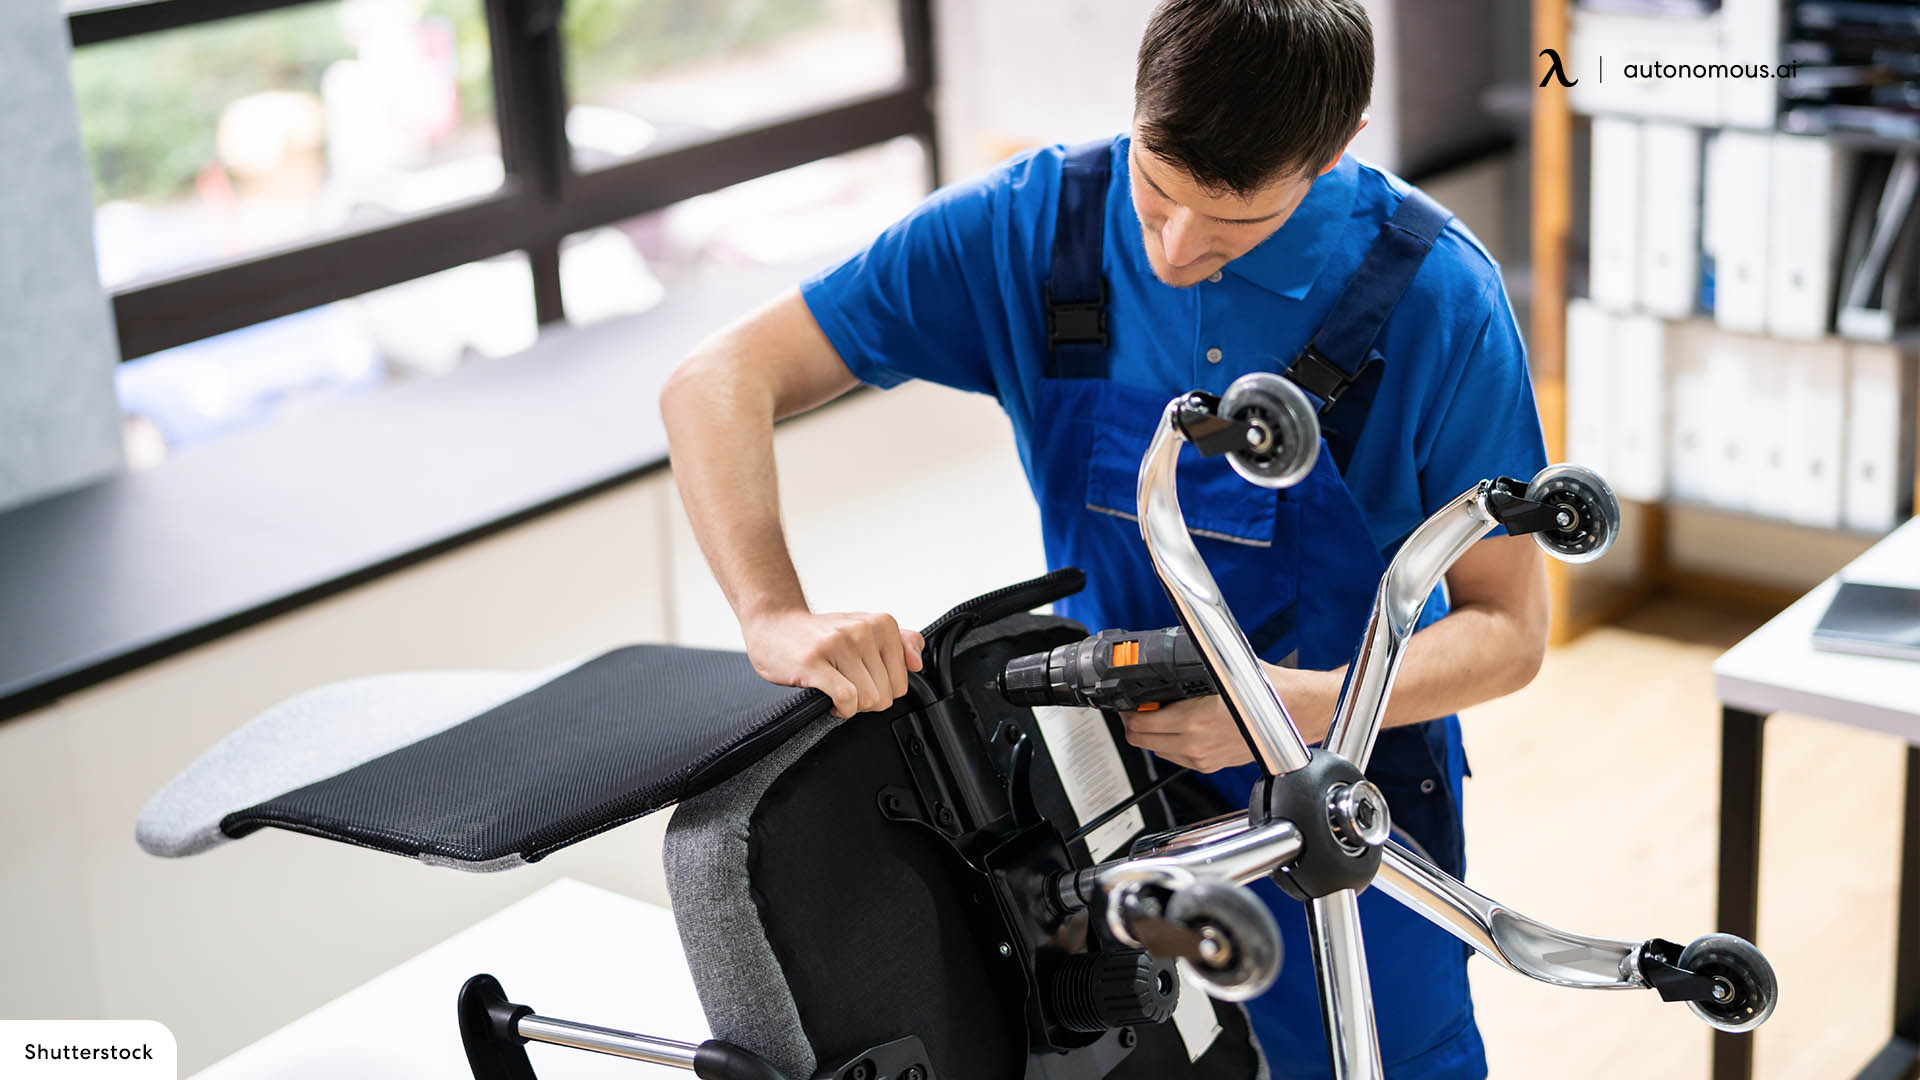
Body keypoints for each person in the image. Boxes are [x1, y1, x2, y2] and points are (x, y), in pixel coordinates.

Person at [660, 1, 1550, 1075]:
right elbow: (714, 381)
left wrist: (1287, 710)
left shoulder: (1434, 296)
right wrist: (773, 611)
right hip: (1100, 798)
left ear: (1338, 149)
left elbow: (1510, 629)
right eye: (1157, 190)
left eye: (1230, 224)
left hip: (1345, 803)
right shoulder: (1035, 228)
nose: (1174, 250)